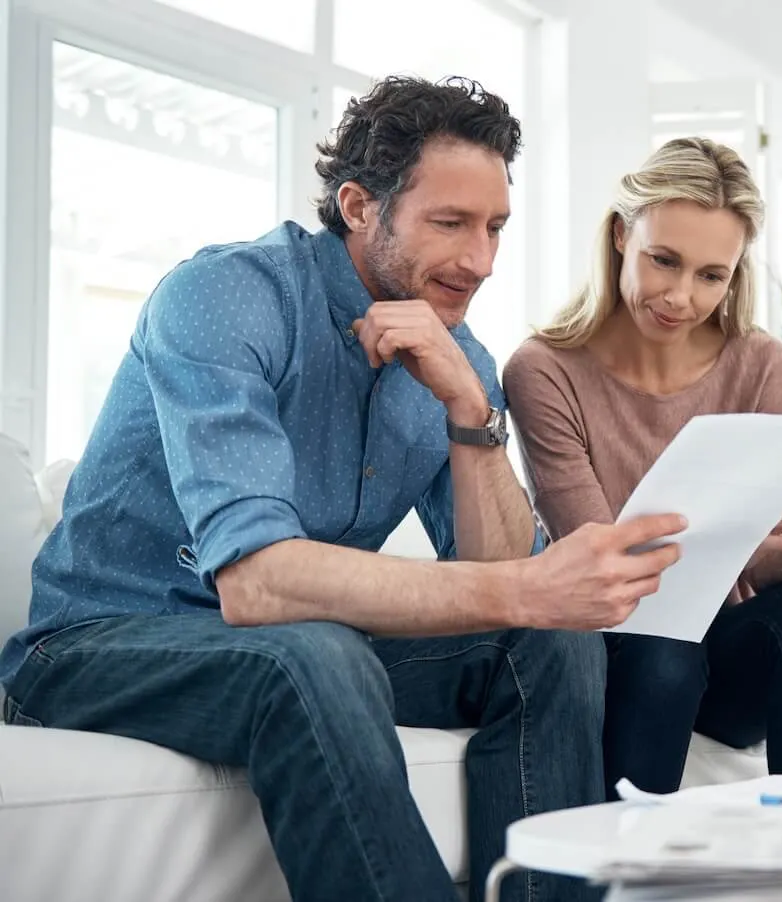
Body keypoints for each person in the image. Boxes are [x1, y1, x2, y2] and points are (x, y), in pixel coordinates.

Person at [0, 76, 686, 902]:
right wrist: (530, 583)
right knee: (315, 649)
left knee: (552, 641)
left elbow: (513, 589)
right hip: (96, 646)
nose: (481, 260)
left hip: (294, 646)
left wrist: (472, 412)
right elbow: (256, 586)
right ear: (360, 206)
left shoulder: (457, 354)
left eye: (496, 227)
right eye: (450, 223)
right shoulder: (227, 297)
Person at [502, 137, 782, 798]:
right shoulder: (544, 370)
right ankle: (630, 876)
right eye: (663, 261)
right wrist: (735, 527)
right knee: (664, 648)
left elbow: (777, 561)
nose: (680, 296)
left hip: (725, 655)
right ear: (620, 236)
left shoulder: (761, 365)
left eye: (711, 275)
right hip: (617, 648)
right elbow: (606, 564)